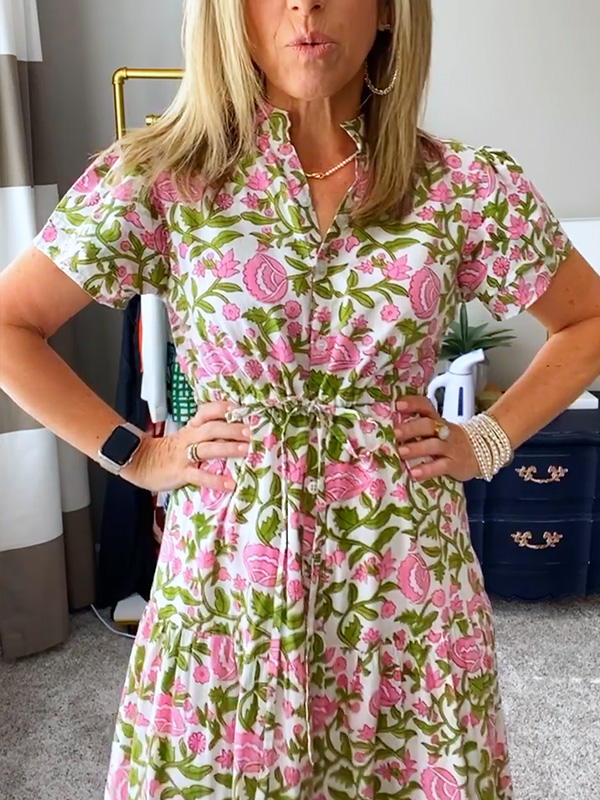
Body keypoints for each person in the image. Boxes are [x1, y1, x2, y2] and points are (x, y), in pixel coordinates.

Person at [1, 0, 600, 798]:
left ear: (387, 13)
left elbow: (588, 321)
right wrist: (137, 456)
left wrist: (486, 439)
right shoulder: (163, 177)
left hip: (403, 577)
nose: (304, 5)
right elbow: (11, 325)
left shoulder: (464, 186)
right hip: (229, 574)